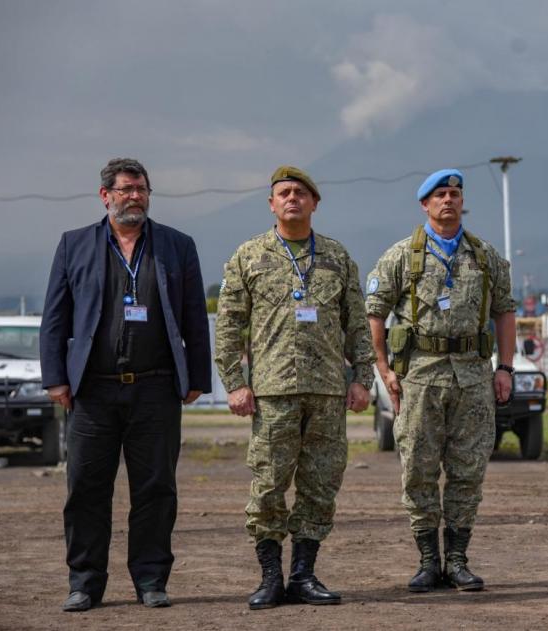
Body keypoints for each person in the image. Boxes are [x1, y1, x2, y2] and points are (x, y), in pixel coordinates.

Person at [40, 158, 212, 612]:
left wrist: (197, 376)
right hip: (92, 391)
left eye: (140, 189)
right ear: (106, 196)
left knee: (156, 489)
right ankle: (84, 583)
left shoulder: (177, 246)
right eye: (124, 189)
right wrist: (55, 377)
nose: (133, 196)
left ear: (148, 195)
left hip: (155, 389)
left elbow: (194, 315)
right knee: (85, 489)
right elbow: (54, 318)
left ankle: (152, 580)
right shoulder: (73, 245)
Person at [214, 166, 373, 610]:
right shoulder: (248, 256)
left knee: (320, 485)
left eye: (301, 193)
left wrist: (362, 378)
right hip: (272, 391)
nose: (292, 199)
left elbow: (357, 325)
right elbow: (229, 327)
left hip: (326, 392)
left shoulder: (337, 257)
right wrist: (235, 383)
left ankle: (304, 574)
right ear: (271, 203)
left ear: (314, 203)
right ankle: (270, 577)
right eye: (283, 193)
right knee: (268, 484)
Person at [365, 169, 516, 593]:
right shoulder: (401, 256)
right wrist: (384, 369)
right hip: (421, 377)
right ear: (425, 204)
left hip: (472, 376)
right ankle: (428, 561)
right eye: (440, 195)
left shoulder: (484, 256)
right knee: (418, 469)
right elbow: (374, 312)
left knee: (468, 470)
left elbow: (505, 310)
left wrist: (504, 368)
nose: (448, 200)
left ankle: (458, 559)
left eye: (454, 193)